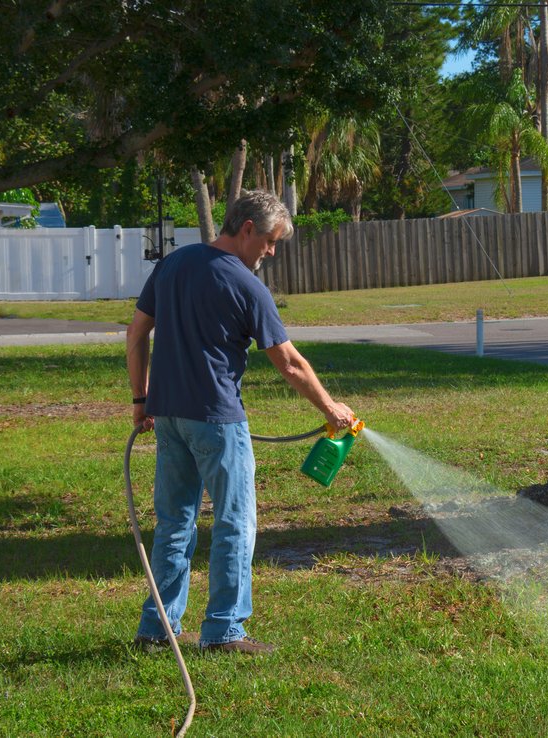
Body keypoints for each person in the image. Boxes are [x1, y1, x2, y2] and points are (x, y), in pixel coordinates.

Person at [126, 189, 354, 655]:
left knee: (174, 523)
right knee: (234, 522)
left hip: (167, 416)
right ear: (247, 229)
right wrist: (332, 410)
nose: (270, 252)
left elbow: (135, 335)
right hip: (216, 421)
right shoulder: (247, 285)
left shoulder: (171, 265)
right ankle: (225, 631)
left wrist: (140, 398)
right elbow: (289, 363)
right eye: (270, 241)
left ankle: (157, 631)